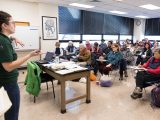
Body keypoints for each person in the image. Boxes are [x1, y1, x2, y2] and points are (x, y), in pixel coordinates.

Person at [0, 11, 41, 120]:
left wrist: (13, 38)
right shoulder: (3, 42)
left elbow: (7, 38)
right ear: (4, 25)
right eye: (13, 22)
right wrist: (30, 55)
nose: (15, 25)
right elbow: (8, 67)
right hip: (8, 83)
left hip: (5, 82)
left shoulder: (4, 39)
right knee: (12, 114)